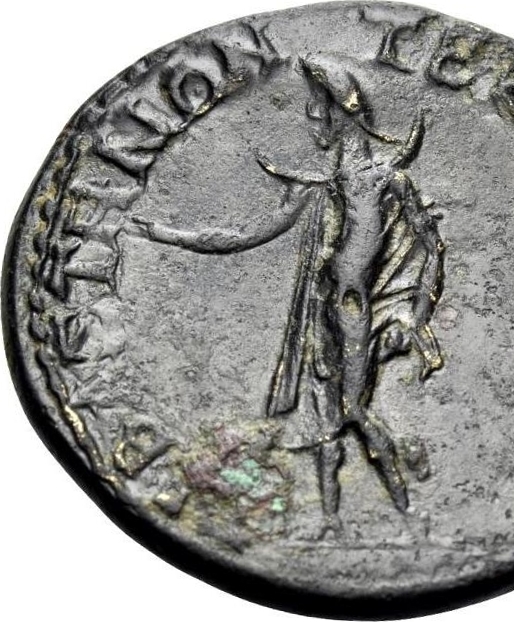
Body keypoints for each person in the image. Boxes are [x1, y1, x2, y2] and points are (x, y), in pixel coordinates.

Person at [134, 54, 445, 535]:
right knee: (325, 418)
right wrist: (168, 234)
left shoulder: (388, 181)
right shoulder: (317, 188)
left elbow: (431, 247)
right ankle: (331, 520)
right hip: (322, 312)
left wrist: (416, 316)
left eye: (317, 107)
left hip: (358, 312)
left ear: (340, 111)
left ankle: (406, 505)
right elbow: (245, 235)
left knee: (352, 412)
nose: (311, 117)